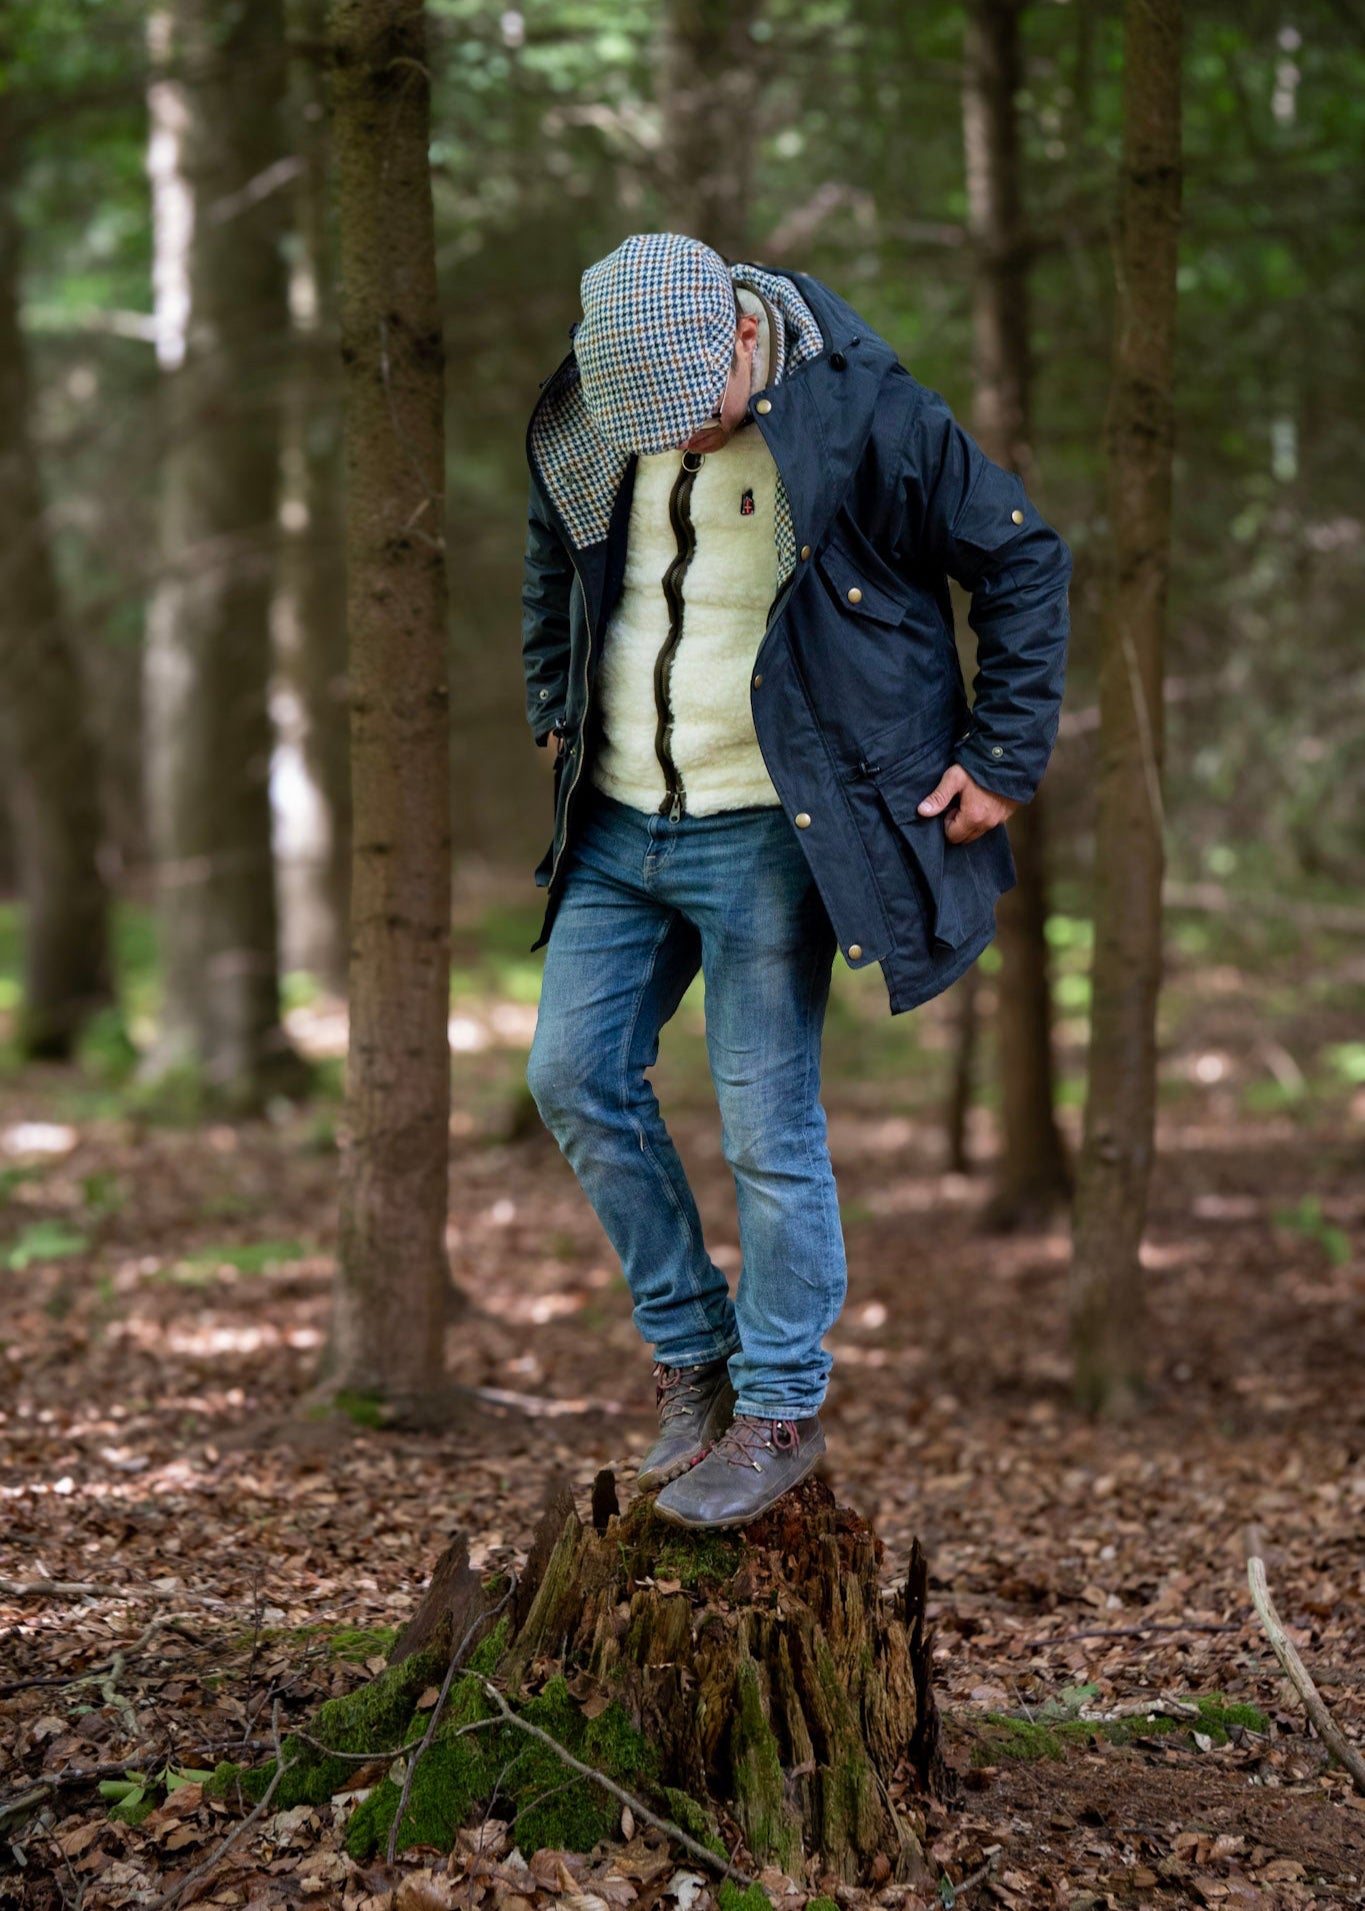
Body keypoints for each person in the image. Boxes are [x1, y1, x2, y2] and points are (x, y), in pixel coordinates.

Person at [520, 232, 1070, 1530]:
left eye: (696, 417)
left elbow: (1021, 556)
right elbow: (552, 555)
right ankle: (694, 1364)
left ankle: (775, 1407)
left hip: (769, 824)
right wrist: (554, 698)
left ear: (738, 342)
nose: (681, 442)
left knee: (769, 1131)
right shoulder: (592, 403)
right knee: (570, 1076)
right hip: (615, 815)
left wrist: (1002, 755)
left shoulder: (863, 412)